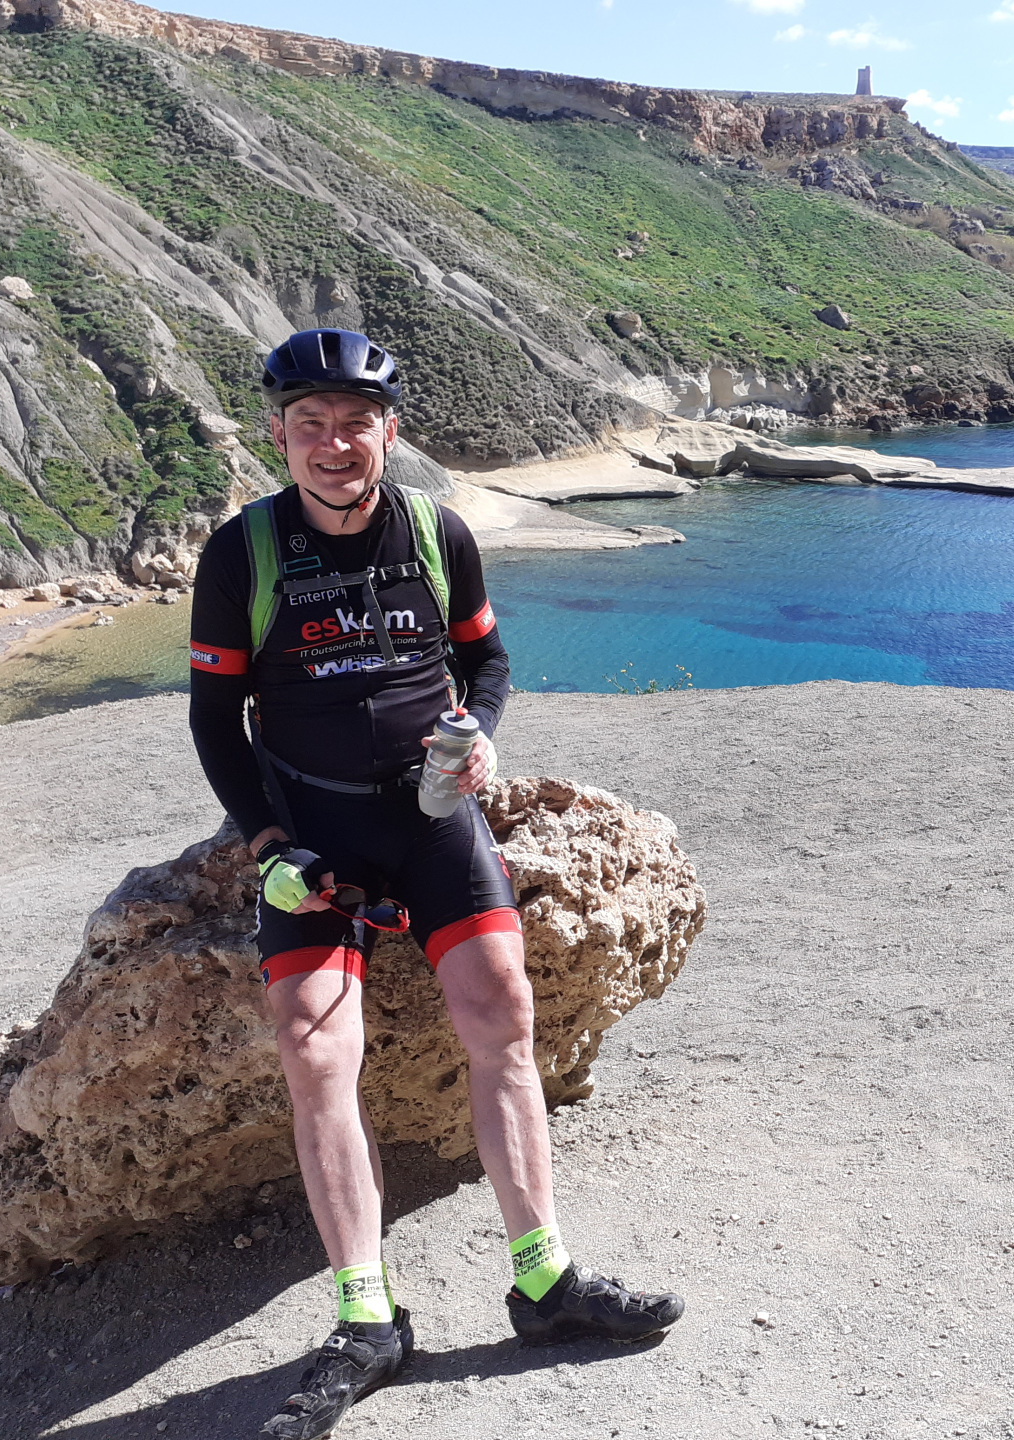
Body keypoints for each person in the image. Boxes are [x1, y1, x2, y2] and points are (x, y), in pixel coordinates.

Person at [187, 328, 684, 1440]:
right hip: (311, 832)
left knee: (502, 1012)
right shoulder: (242, 554)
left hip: (433, 818)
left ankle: (544, 1280)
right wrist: (270, 847)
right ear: (280, 437)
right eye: (310, 424)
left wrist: (482, 733)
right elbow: (216, 719)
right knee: (317, 1054)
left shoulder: (435, 532)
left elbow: (485, 659)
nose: (334, 443)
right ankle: (367, 1318)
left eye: (355, 422)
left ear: (389, 431)